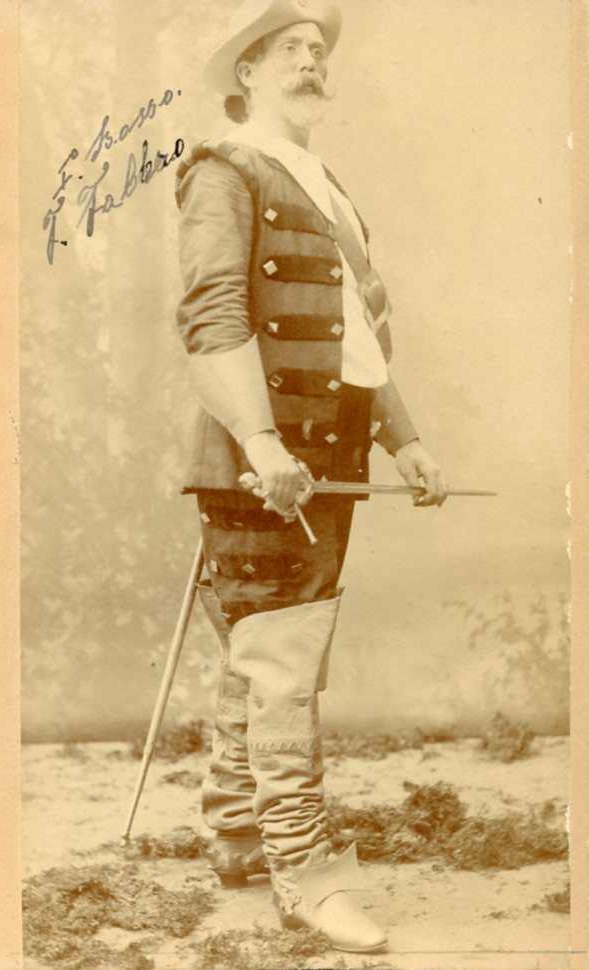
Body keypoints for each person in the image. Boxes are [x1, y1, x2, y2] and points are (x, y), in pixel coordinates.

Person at [174, 0, 447, 953]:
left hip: (327, 452)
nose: (310, 61)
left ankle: (237, 832)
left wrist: (403, 438)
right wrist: (260, 443)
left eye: (316, 50)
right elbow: (211, 315)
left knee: (266, 646)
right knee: (282, 661)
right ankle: (306, 874)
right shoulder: (224, 170)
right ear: (245, 72)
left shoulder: (322, 183)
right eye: (288, 49)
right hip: (266, 459)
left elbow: (358, 337)